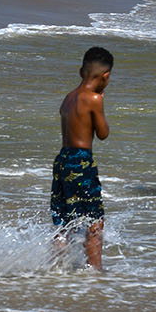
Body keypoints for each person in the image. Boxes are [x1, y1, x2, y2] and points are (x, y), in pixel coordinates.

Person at [53, 46, 113, 271]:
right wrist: (101, 102)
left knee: (64, 221)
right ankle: (95, 272)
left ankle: (57, 269)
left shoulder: (68, 98)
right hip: (81, 161)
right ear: (105, 76)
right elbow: (103, 133)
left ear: (81, 72)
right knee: (95, 220)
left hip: (62, 160)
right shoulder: (94, 98)